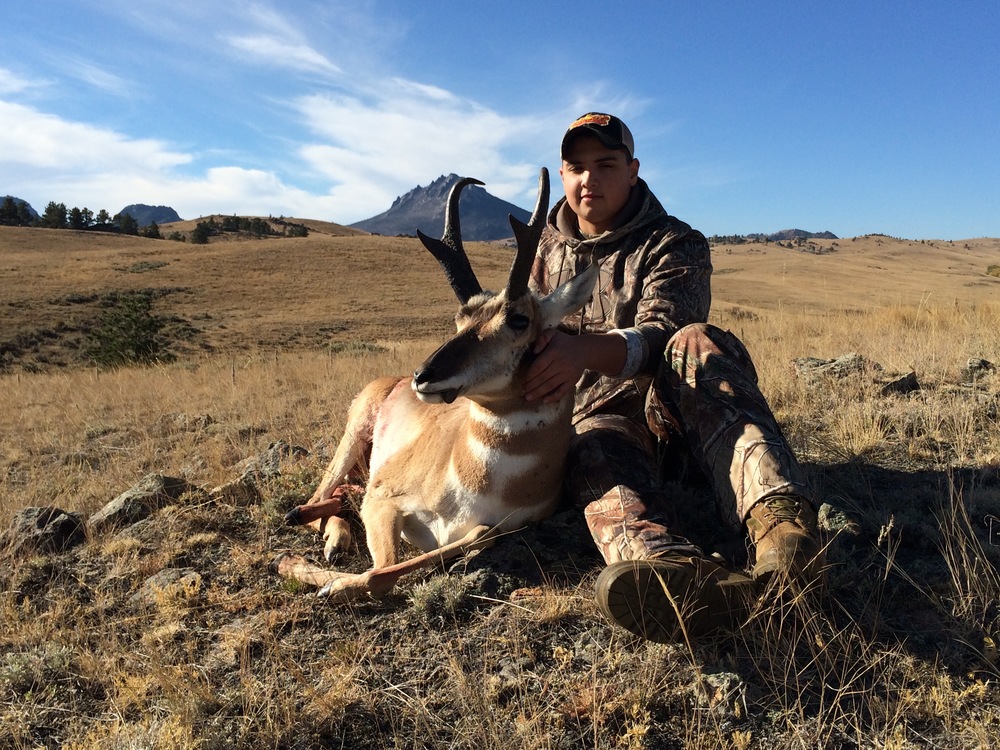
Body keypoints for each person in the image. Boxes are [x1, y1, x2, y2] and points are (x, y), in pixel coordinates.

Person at [524, 112, 823, 643]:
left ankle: (783, 535)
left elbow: (662, 332)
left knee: (697, 342)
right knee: (588, 447)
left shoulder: (674, 243)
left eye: (606, 164)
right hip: (603, 423)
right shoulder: (540, 254)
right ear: (562, 175)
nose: (588, 178)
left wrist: (581, 352)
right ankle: (677, 578)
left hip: (678, 415)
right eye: (575, 167)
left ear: (633, 170)